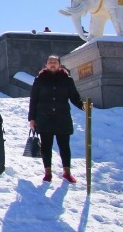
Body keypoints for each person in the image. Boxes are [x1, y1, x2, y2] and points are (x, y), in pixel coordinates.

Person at [28, 55, 85, 183]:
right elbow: (33, 100)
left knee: (64, 145)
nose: (52, 64)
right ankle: (48, 173)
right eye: (50, 62)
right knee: (46, 146)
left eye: (54, 62)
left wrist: (83, 106)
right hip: (44, 117)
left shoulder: (67, 80)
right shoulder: (39, 80)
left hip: (62, 117)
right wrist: (32, 118)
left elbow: (74, 96)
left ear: (59, 64)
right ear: (46, 65)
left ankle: (67, 172)